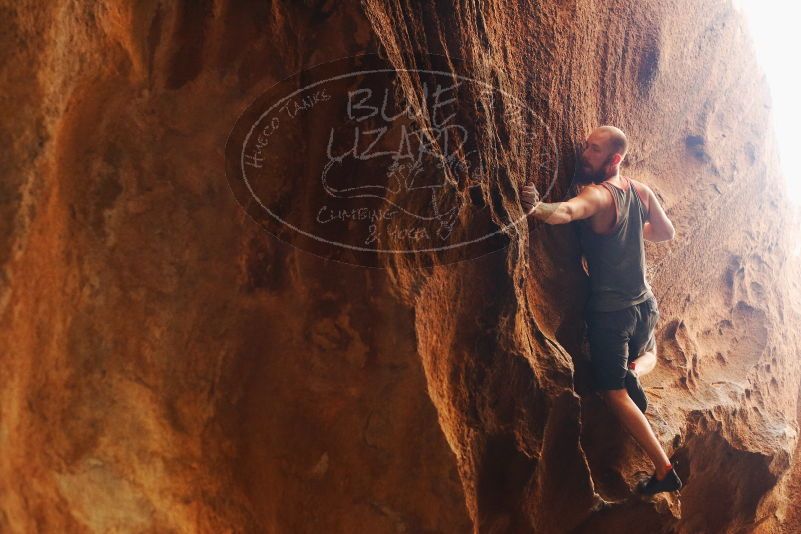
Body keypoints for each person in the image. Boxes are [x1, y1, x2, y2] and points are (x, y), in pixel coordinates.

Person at [520, 125, 681, 496]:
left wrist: (536, 207)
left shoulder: (598, 195)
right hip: (645, 304)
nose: (584, 153)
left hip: (612, 316)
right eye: (586, 146)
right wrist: (632, 231)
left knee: (613, 393)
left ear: (614, 159)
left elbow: (567, 211)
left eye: (593, 150)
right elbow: (666, 232)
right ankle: (634, 370)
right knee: (649, 353)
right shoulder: (640, 191)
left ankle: (663, 470)